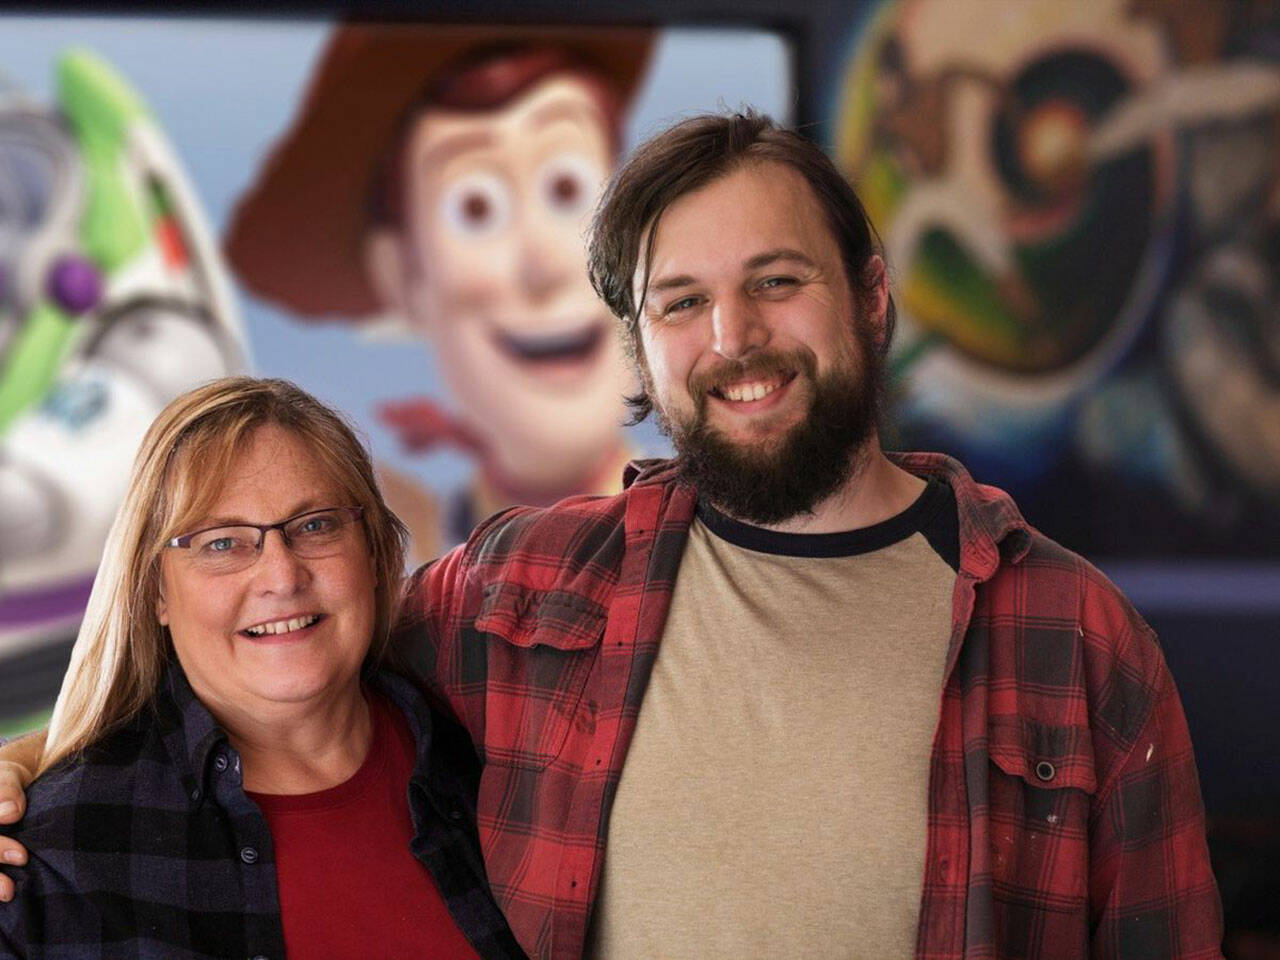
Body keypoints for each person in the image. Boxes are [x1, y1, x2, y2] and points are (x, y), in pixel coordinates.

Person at [2, 113, 1224, 959]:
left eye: (776, 280)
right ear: (640, 350)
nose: (731, 335)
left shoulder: (1068, 633)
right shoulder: (528, 587)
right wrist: (28, 765)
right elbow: (286, 646)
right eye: (679, 302)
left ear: (867, 293)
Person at [0, 378, 523, 958]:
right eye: (222, 543)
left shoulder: (492, 760)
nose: (281, 576)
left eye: (316, 525)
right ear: (156, 594)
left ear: (375, 552)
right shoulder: (53, 858)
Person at [225, 24, 653, 564]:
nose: (544, 264)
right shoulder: (385, 563)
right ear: (401, 274)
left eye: (567, 190)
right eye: (476, 209)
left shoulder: (723, 544)